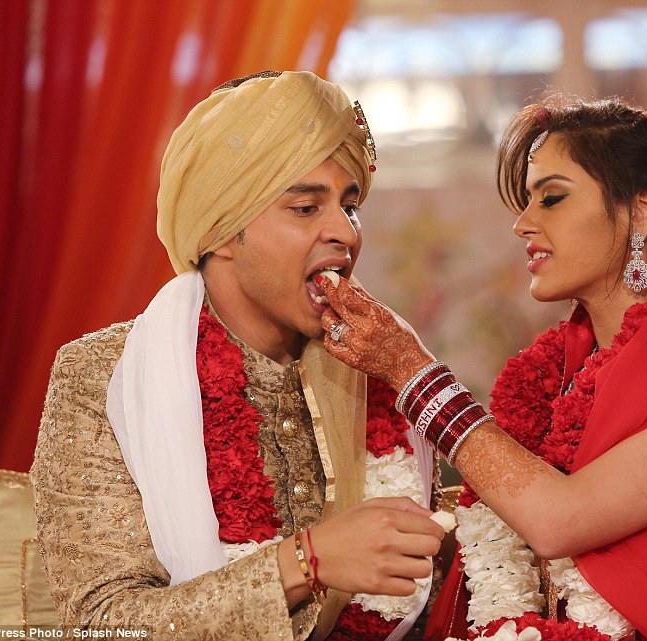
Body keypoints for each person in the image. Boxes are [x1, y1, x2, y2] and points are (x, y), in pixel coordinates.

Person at [314, 92, 647, 641]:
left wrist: (410, 370)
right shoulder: (556, 383)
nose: (523, 224)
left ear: (642, 209)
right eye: (526, 201)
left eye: (552, 199)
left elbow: (559, 520)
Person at [30, 70, 445, 641]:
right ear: (222, 230)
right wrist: (307, 562)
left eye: (351, 207)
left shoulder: (377, 359)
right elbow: (102, 625)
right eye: (305, 208)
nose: (346, 235)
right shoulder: (106, 377)